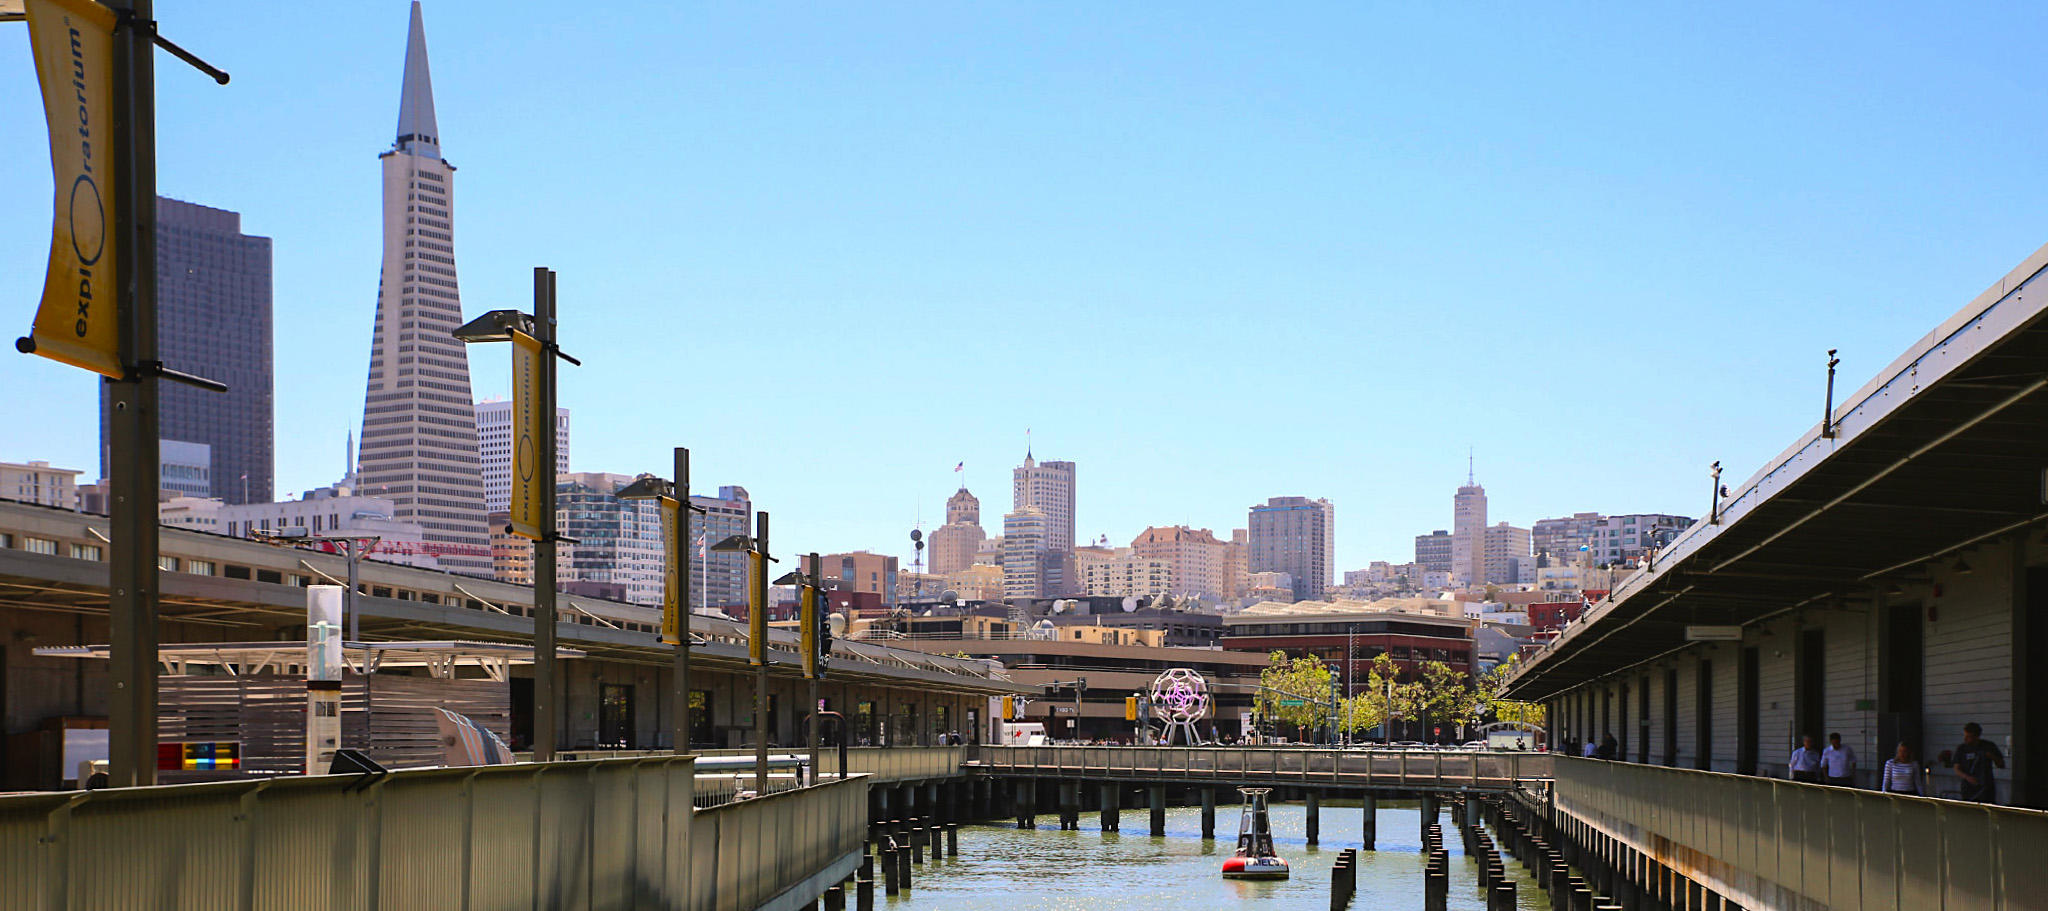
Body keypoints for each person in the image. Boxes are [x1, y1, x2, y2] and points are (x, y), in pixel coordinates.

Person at [1948, 722, 2006, 803]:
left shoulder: (1988, 746)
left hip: (1986, 787)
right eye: (1965, 736)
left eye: (1968, 737)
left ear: (1976, 736)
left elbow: (2001, 765)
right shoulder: (1962, 748)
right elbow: (1956, 768)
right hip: (1968, 788)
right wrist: (1967, 777)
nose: (1965, 739)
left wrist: (1992, 756)